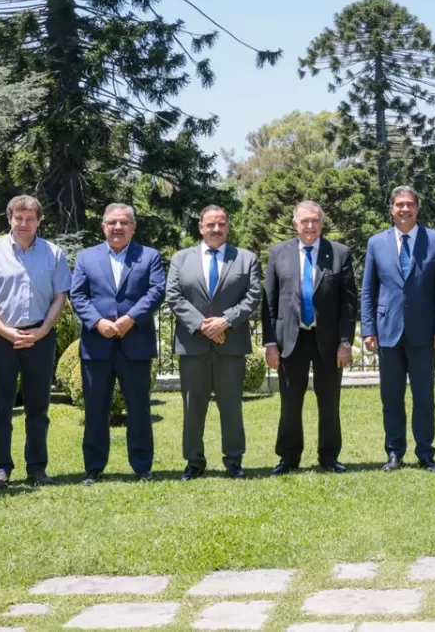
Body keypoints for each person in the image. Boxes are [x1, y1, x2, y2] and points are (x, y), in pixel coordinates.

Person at [0, 195, 71, 489]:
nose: (24, 223)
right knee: (0, 407)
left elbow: (59, 297)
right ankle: (0, 470)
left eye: (30, 219)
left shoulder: (53, 253)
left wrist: (42, 331)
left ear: (39, 221)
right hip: (1, 338)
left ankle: (37, 468)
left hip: (39, 338)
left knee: (38, 407)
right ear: (9, 219)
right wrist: (4, 330)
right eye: (19, 218)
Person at [70, 202, 166, 484]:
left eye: (124, 222)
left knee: (139, 408)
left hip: (134, 343)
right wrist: (98, 322)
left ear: (133, 227)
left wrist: (130, 319)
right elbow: (78, 296)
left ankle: (142, 466)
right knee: (96, 409)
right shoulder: (87, 258)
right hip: (97, 344)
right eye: (112, 222)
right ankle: (93, 467)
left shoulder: (149, 256)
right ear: (103, 226)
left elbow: (157, 291)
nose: (117, 227)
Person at [361, 185, 435, 472]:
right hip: (388, 332)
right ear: (391, 209)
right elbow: (368, 290)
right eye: (399, 204)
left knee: (424, 397)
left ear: (417, 208)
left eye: (409, 204)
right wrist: (368, 329)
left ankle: (425, 453)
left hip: (424, 334)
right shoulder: (376, 243)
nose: (404, 209)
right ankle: (394, 452)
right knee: (391, 397)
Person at [262, 200, 357, 475]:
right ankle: (288, 458)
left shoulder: (339, 253)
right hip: (291, 341)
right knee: (290, 403)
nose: (310, 225)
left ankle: (329, 458)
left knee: (329, 402)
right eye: (304, 221)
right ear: (295, 224)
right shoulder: (278, 253)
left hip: (328, 341)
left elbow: (348, 304)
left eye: (315, 220)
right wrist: (270, 344)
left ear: (322, 223)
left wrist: (345, 342)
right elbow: (269, 302)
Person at [166, 205, 261, 480]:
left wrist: (225, 321)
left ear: (228, 226)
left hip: (230, 345)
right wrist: (203, 325)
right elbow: (173, 296)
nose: (216, 229)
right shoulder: (181, 259)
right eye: (210, 224)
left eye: (221, 224)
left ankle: (234, 460)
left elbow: (252, 296)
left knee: (231, 406)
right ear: (200, 227)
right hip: (193, 345)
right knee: (192, 406)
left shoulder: (246, 259)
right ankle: (194, 462)